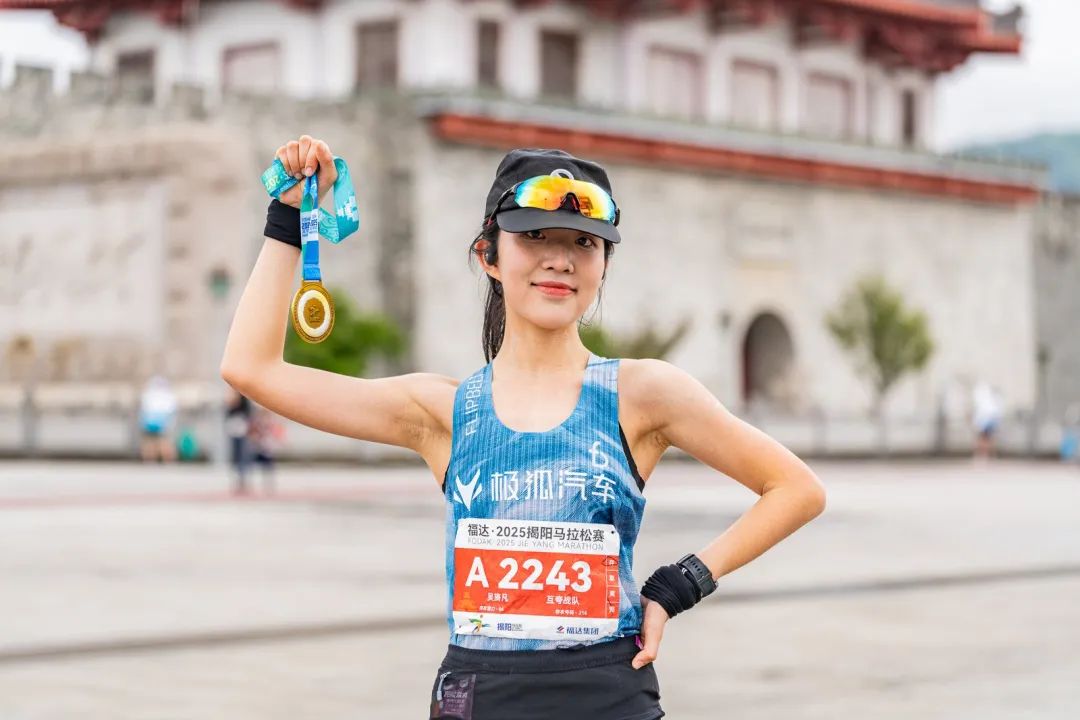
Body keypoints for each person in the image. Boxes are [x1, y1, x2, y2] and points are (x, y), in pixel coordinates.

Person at [221, 137, 827, 720]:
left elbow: (796, 488)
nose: (560, 259)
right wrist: (287, 215)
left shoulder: (642, 394)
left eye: (584, 242)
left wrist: (680, 585)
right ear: (488, 256)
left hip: (608, 696)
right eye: (534, 236)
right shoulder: (443, 411)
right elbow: (251, 368)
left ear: (604, 264)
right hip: (478, 695)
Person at [138, 375, 177, 463]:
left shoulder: (148, 394)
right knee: (163, 442)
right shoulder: (167, 395)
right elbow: (172, 410)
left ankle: (150, 460)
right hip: (162, 421)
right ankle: (167, 460)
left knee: (151, 443)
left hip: (150, 422)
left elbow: (143, 409)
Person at [247, 405, 285, 494]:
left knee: (268, 465)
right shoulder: (257, 420)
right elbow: (252, 431)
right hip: (260, 445)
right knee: (258, 465)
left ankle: (268, 484)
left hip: (268, 446)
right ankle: (255, 484)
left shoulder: (271, 420)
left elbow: (277, 431)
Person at [225, 387, 253, 494]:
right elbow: (228, 414)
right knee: (235, 455)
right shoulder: (231, 402)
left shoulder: (243, 399)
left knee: (243, 455)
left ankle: (243, 480)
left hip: (241, 429)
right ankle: (238, 480)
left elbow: (247, 414)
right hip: (234, 429)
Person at [972, 381, 1002, 461]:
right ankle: (985, 454)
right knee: (987, 438)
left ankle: (984, 454)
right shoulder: (991, 399)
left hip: (986, 420)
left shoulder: (986, 399)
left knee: (984, 438)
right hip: (988, 419)